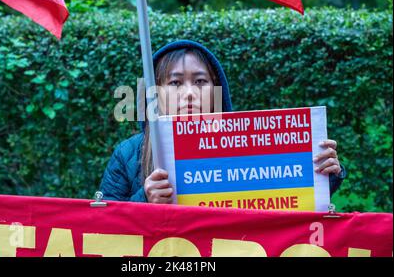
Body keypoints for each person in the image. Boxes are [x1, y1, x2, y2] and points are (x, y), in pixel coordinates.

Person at [100, 40, 346, 203]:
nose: (189, 93)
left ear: (217, 90)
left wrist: (325, 174)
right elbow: (103, 228)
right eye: (175, 83)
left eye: (200, 81)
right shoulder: (127, 153)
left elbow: (283, 204)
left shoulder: (247, 143)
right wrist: (145, 198)